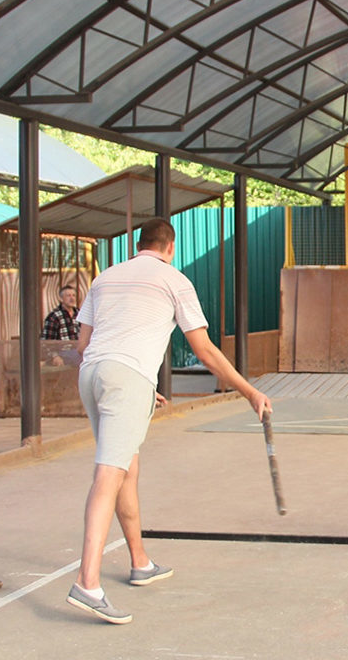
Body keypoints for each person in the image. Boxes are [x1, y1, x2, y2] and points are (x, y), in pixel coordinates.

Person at [67, 217, 270, 623]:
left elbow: (83, 344)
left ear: (138, 245)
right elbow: (205, 350)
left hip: (93, 375)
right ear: (170, 248)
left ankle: (140, 562)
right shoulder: (174, 280)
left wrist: (139, 387)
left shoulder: (105, 277)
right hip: (124, 379)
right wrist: (249, 391)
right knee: (109, 474)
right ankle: (87, 583)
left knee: (127, 468)